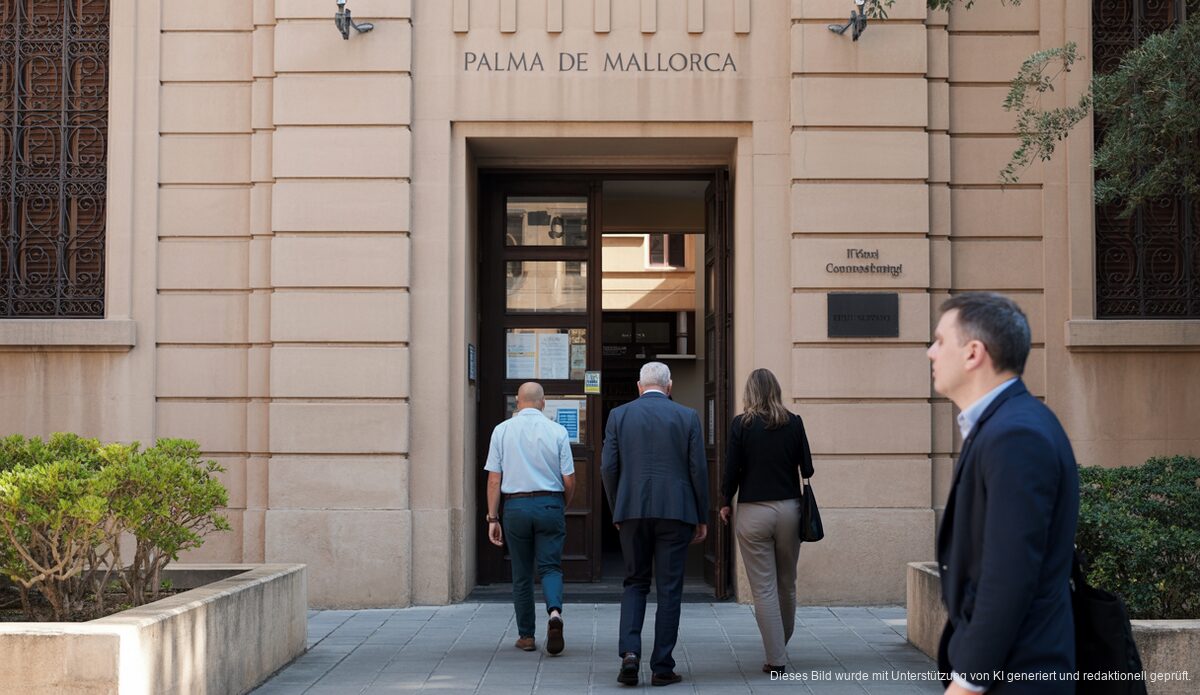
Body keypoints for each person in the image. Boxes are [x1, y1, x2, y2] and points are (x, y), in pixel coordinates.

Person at [928, 292, 1079, 694]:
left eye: (941, 341)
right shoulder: (1008, 423)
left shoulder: (1016, 434)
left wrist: (968, 682)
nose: (930, 352)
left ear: (974, 353)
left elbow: (1008, 574)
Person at [601, 361, 708, 687]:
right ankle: (662, 666)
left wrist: (617, 506)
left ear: (639, 386)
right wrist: (701, 516)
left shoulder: (619, 416)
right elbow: (698, 470)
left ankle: (630, 654)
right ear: (670, 386)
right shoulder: (687, 417)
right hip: (675, 511)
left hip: (631, 510)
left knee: (634, 581)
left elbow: (608, 467)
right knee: (669, 589)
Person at [718, 368, 814, 676]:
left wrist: (723, 501)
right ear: (775, 390)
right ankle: (779, 645)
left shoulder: (741, 425)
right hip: (789, 509)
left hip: (753, 510)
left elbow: (732, 470)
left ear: (750, 393)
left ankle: (776, 658)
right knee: (787, 583)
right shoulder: (794, 423)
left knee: (763, 588)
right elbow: (807, 469)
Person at [484, 382, 576, 655]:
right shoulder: (558, 431)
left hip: (516, 507)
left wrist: (492, 518)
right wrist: (562, 504)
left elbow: (493, 479)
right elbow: (569, 479)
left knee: (521, 573)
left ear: (517, 402)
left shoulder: (501, 431)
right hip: (550, 504)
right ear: (543, 403)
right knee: (551, 567)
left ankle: (526, 636)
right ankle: (555, 613)